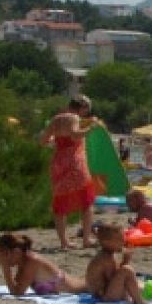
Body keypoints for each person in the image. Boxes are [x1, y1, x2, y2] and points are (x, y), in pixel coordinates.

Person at [39, 94, 99, 250]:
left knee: (60, 202)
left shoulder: (56, 119)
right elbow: (74, 134)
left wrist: (56, 142)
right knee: (86, 199)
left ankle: (64, 242)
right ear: (82, 107)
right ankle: (86, 239)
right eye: (87, 109)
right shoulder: (73, 117)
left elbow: (43, 140)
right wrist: (91, 127)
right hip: (74, 162)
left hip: (58, 162)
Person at [0, 233, 87, 297]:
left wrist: (5, 268)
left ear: (16, 252)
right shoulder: (23, 262)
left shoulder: (32, 261)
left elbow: (17, 293)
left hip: (83, 287)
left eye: (4, 254)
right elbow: (15, 287)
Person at [85, 224, 146, 304]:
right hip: (105, 296)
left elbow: (116, 277)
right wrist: (126, 261)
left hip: (105, 293)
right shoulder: (105, 259)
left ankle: (133, 296)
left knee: (138, 285)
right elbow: (113, 279)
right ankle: (139, 301)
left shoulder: (108, 255)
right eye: (120, 240)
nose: (123, 242)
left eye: (123, 239)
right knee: (127, 270)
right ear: (107, 242)